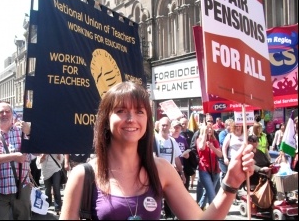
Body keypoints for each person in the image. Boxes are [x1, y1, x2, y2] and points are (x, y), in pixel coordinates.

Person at [59, 81, 255, 220]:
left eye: (139, 111)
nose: (131, 119)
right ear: (106, 119)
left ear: (147, 120)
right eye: (121, 111)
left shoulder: (161, 169)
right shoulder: (83, 176)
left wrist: (231, 183)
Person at [0, 102, 32, 220]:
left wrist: (30, 133)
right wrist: (13, 156)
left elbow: (38, 152)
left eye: (7, 111)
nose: (4, 114)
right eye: (1, 112)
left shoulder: (22, 131)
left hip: (21, 187)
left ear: (12, 114)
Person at [155, 116, 185, 219]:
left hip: (169, 174)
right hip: (156, 174)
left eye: (166, 125)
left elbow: (177, 159)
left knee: (170, 197)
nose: (164, 127)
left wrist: (181, 173)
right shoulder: (154, 140)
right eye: (162, 125)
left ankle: (169, 215)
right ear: (159, 126)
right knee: (157, 197)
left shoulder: (172, 141)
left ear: (169, 127)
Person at [196, 125, 222, 209]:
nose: (210, 130)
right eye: (207, 129)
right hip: (204, 169)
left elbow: (220, 154)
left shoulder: (214, 141)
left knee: (208, 192)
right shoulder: (199, 139)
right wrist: (204, 136)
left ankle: (199, 208)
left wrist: (212, 147)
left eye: (211, 128)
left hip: (215, 170)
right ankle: (213, 214)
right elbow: (201, 147)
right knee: (211, 193)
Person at [170, 119, 191, 191]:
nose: (176, 129)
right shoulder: (169, 138)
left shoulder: (183, 139)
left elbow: (187, 151)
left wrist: (187, 155)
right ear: (171, 128)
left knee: (184, 189)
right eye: (175, 127)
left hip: (181, 167)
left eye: (178, 127)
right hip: (171, 168)